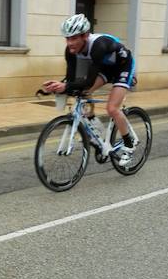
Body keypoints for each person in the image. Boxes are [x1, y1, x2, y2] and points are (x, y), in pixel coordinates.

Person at [42, 13, 138, 166]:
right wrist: (58, 87)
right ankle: (95, 128)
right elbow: (72, 80)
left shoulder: (98, 46)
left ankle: (129, 142)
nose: (70, 43)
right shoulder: (70, 51)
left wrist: (66, 86)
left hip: (122, 67)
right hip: (105, 68)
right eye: (67, 38)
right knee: (83, 93)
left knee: (112, 108)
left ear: (85, 36)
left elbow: (89, 80)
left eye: (74, 38)